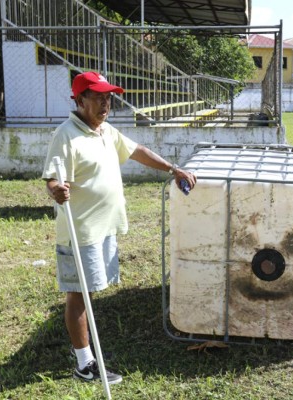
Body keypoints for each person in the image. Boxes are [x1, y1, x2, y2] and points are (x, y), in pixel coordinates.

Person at [42, 71, 196, 385]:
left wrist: (172, 168)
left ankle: (87, 350)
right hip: (80, 232)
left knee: (89, 293)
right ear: (80, 99)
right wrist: (56, 189)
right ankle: (85, 364)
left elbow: (136, 150)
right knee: (78, 295)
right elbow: (53, 177)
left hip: (102, 229)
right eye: (98, 96)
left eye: (108, 96)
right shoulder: (66, 134)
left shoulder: (105, 131)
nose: (105, 102)